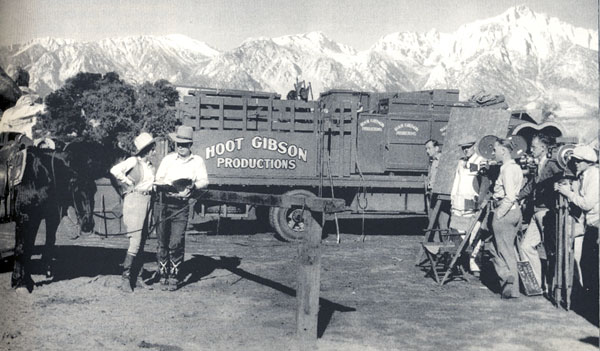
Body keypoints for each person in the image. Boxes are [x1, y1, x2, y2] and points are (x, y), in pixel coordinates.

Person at [154, 125, 209, 291]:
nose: (181, 148)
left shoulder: (197, 161)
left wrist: (192, 186)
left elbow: (204, 181)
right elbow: (158, 179)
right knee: (162, 240)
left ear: (190, 145)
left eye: (185, 144)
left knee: (176, 241)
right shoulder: (168, 159)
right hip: (163, 203)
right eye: (178, 144)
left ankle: (174, 276)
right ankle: (163, 273)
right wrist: (168, 186)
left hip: (181, 206)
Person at [110, 132, 156, 292]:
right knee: (135, 241)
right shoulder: (132, 161)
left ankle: (138, 277)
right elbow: (115, 170)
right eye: (152, 148)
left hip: (148, 201)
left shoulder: (149, 165)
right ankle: (126, 279)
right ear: (147, 149)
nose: (154, 151)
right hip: (134, 201)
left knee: (143, 240)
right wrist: (128, 182)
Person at [517, 133, 562, 292]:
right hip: (536, 212)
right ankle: (536, 285)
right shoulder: (538, 165)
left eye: (534, 147)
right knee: (526, 247)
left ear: (543, 148)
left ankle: (552, 285)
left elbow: (559, 181)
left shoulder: (552, 165)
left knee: (550, 250)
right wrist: (516, 197)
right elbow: (530, 186)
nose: (531, 149)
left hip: (546, 212)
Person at [555, 144, 599, 305]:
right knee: (586, 263)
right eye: (574, 160)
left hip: (597, 225)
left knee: (591, 265)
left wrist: (568, 193)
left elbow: (586, 203)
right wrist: (567, 188)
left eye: (579, 161)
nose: (575, 164)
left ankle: (592, 302)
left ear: (588, 161)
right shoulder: (584, 175)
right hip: (591, 225)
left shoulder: (595, 176)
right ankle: (591, 300)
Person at [488, 138, 524, 299]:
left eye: (495, 150)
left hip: (505, 211)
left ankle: (508, 279)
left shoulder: (506, 170)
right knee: (506, 250)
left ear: (503, 150)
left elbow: (509, 196)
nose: (493, 153)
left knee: (498, 249)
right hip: (515, 212)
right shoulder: (516, 168)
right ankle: (509, 281)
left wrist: (499, 213)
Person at [449, 137, 485, 275]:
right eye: (463, 148)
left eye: (468, 147)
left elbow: (482, 180)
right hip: (459, 203)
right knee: (458, 234)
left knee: (474, 235)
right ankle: (458, 263)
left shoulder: (481, 161)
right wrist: (453, 200)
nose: (465, 151)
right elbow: (456, 183)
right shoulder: (461, 162)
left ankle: (475, 265)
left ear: (474, 147)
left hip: (472, 203)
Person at [425, 139, 449, 229]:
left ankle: (444, 241)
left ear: (436, 148)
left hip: (439, 193)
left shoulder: (442, 160)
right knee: (432, 219)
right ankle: (435, 241)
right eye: (426, 149)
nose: (427, 151)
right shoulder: (432, 160)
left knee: (442, 219)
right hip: (432, 192)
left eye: (429, 148)